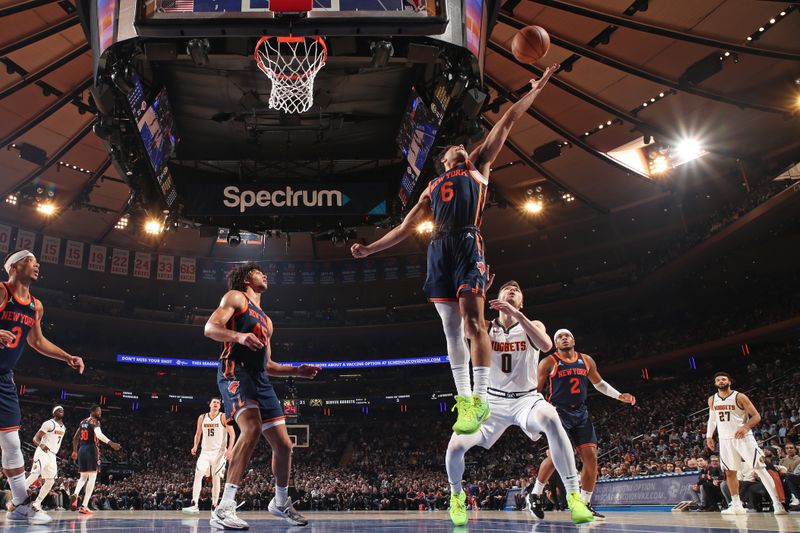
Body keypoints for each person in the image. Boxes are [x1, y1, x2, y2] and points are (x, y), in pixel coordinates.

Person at [351, 65, 559, 436]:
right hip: (439, 247)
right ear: (444, 159)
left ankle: (480, 398)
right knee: (451, 329)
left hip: (467, 241)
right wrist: (370, 250)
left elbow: (508, 121)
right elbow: (405, 228)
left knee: (473, 322)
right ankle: (465, 402)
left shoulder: (478, 166)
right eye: (456, 148)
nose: (463, 146)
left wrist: (537, 88)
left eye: (465, 146)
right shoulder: (432, 186)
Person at [445, 280, 593, 526]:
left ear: (521, 302)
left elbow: (546, 345)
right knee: (455, 447)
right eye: (506, 289)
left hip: (526, 399)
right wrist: (475, 291)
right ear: (496, 300)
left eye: (517, 290)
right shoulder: (484, 327)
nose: (512, 290)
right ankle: (456, 495)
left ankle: (574, 497)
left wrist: (516, 314)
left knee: (551, 418)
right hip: (490, 401)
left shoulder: (532, 325)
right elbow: (460, 329)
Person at [205, 262, 320, 530]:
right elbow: (210, 329)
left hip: (260, 378)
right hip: (235, 371)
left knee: (284, 445)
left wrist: (297, 371)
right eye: (259, 272)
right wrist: (239, 336)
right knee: (252, 428)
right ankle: (224, 508)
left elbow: (269, 364)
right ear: (247, 278)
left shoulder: (267, 321)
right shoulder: (235, 298)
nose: (265, 275)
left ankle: (280, 502)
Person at [0, 250, 84, 524]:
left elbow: (37, 342)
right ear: (13, 266)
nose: (37, 265)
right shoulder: (2, 292)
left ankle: (22, 503)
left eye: (37, 262)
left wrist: (66, 356)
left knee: (11, 442)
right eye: (30, 260)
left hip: (4, 377)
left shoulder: (36, 305)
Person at [532, 329, 635, 520]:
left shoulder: (586, 360)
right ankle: (536, 493)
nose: (564, 338)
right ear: (555, 344)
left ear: (573, 340)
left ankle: (585, 503)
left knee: (592, 457)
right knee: (561, 455)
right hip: (558, 412)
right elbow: (536, 391)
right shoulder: (548, 362)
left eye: (567, 336)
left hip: (580, 413)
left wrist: (620, 396)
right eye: (559, 338)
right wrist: (536, 417)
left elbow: (600, 384)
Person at [706, 371, 787, 515]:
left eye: (724, 379)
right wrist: (709, 436)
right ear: (715, 383)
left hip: (743, 438)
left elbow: (756, 416)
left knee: (760, 469)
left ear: (729, 381)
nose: (721, 381)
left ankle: (777, 504)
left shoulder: (739, 396)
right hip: (725, 440)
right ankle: (736, 505)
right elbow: (712, 420)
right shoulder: (712, 399)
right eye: (718, 380)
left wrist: (745, 427)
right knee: (730, 472)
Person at [183, 398, 236, 513]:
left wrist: (230, 450)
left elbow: (232, 434)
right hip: (205, 452)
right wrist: (195, 446)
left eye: (218, 403)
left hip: (219, 452)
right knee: (198, 474)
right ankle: (194, 504)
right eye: (214, 402)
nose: (216, 404)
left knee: (216, 476)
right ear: (210, 404)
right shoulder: (202, 417)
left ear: (220, 406)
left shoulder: (223, 417)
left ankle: (215, 505)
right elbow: (198, 434)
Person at [70, 405, 122, 514]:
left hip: (81, 449)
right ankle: (84, 505)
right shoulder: (95, 422)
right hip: (91, 449)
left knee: (83, 477)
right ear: (92, 411)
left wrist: (74, 451)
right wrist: (111, 443)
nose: (100, 413)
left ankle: (75, 493)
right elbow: (98, 434)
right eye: (98, 411)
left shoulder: (82, 422)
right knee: (92, 478)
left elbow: (75, 438)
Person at [24, 406, 67, 512]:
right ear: (54, 413)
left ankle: (37, 504)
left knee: (50, 481)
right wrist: (41, 445)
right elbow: (35, 438)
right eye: (58, 410)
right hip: (42, 452)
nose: (60, 411)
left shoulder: (64, 428)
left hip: (52, 455)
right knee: (35, 474)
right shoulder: (49, 423)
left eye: (62, 410)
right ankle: (17, 494)